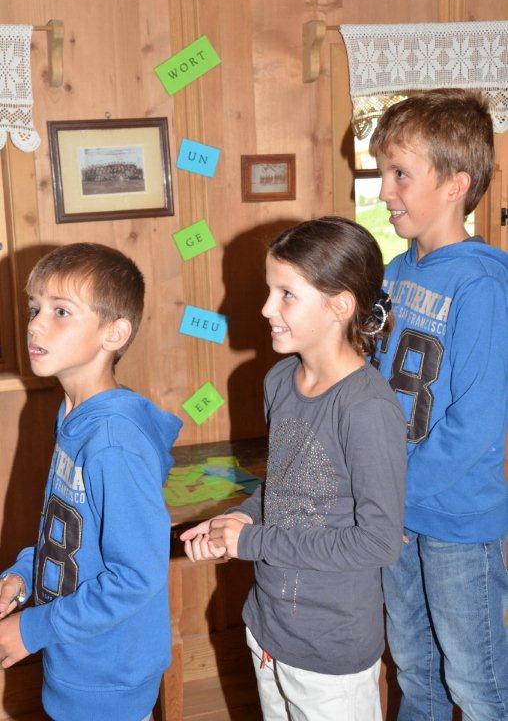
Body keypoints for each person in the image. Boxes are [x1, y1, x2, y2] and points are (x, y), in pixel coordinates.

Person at [181, 217, 407, 721]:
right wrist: (239, 519)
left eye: (286, 294)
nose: (266, 308)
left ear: (340, 306)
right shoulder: (279, 380)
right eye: (270, 291)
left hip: (331, 652)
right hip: (268, 626)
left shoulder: (367, 409)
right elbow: (286, 488)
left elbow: (378, 543)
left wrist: (252, 541)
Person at [370, 89, 508, 720]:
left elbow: (477, 421)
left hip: (455, 519)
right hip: (397, 511)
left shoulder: (482, 283)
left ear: (456, 185)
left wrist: (397, 493)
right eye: (382, 173)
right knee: (414, 666)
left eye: (400, 174)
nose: (384, 191)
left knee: (477, 682)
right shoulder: (395, 274)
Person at [0, 243, 182, 721]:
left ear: (114, 333)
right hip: (74, 653)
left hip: (110, 671)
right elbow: (69, 535)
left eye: (60, 311)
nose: (35, 324)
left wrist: (32, 630)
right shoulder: (72, 416)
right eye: (35, 308)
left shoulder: (112, 443)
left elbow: (137, 576)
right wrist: (22, 577)